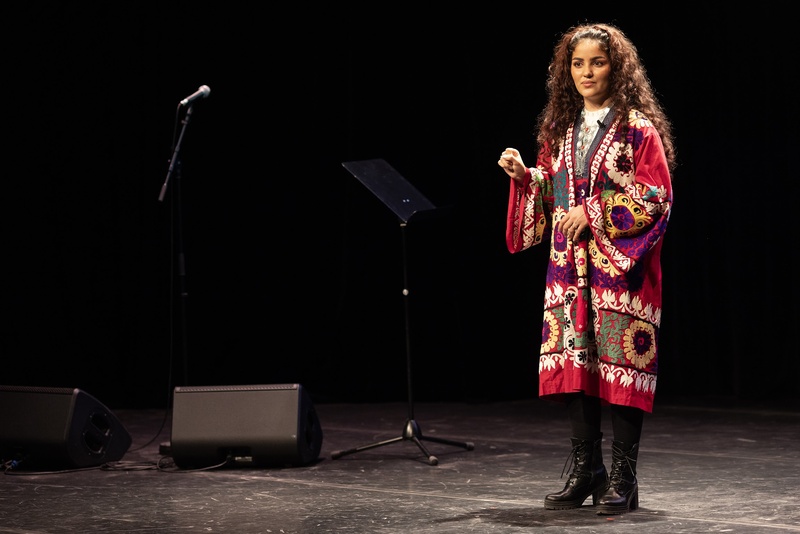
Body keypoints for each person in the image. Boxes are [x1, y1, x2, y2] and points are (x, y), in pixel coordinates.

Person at [498, 22, 676, 515]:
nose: (586, 72)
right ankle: (587, 470)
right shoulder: (558, 130)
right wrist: (527, 177)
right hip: (569, 273)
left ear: (615, 67)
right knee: (578, 368)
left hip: (621, 274)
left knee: (621, 367)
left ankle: (623, 477)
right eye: (577, 63)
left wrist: (594, 212)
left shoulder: (637, 128)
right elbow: (556, 193)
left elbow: (656, 198)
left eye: (597, 62)